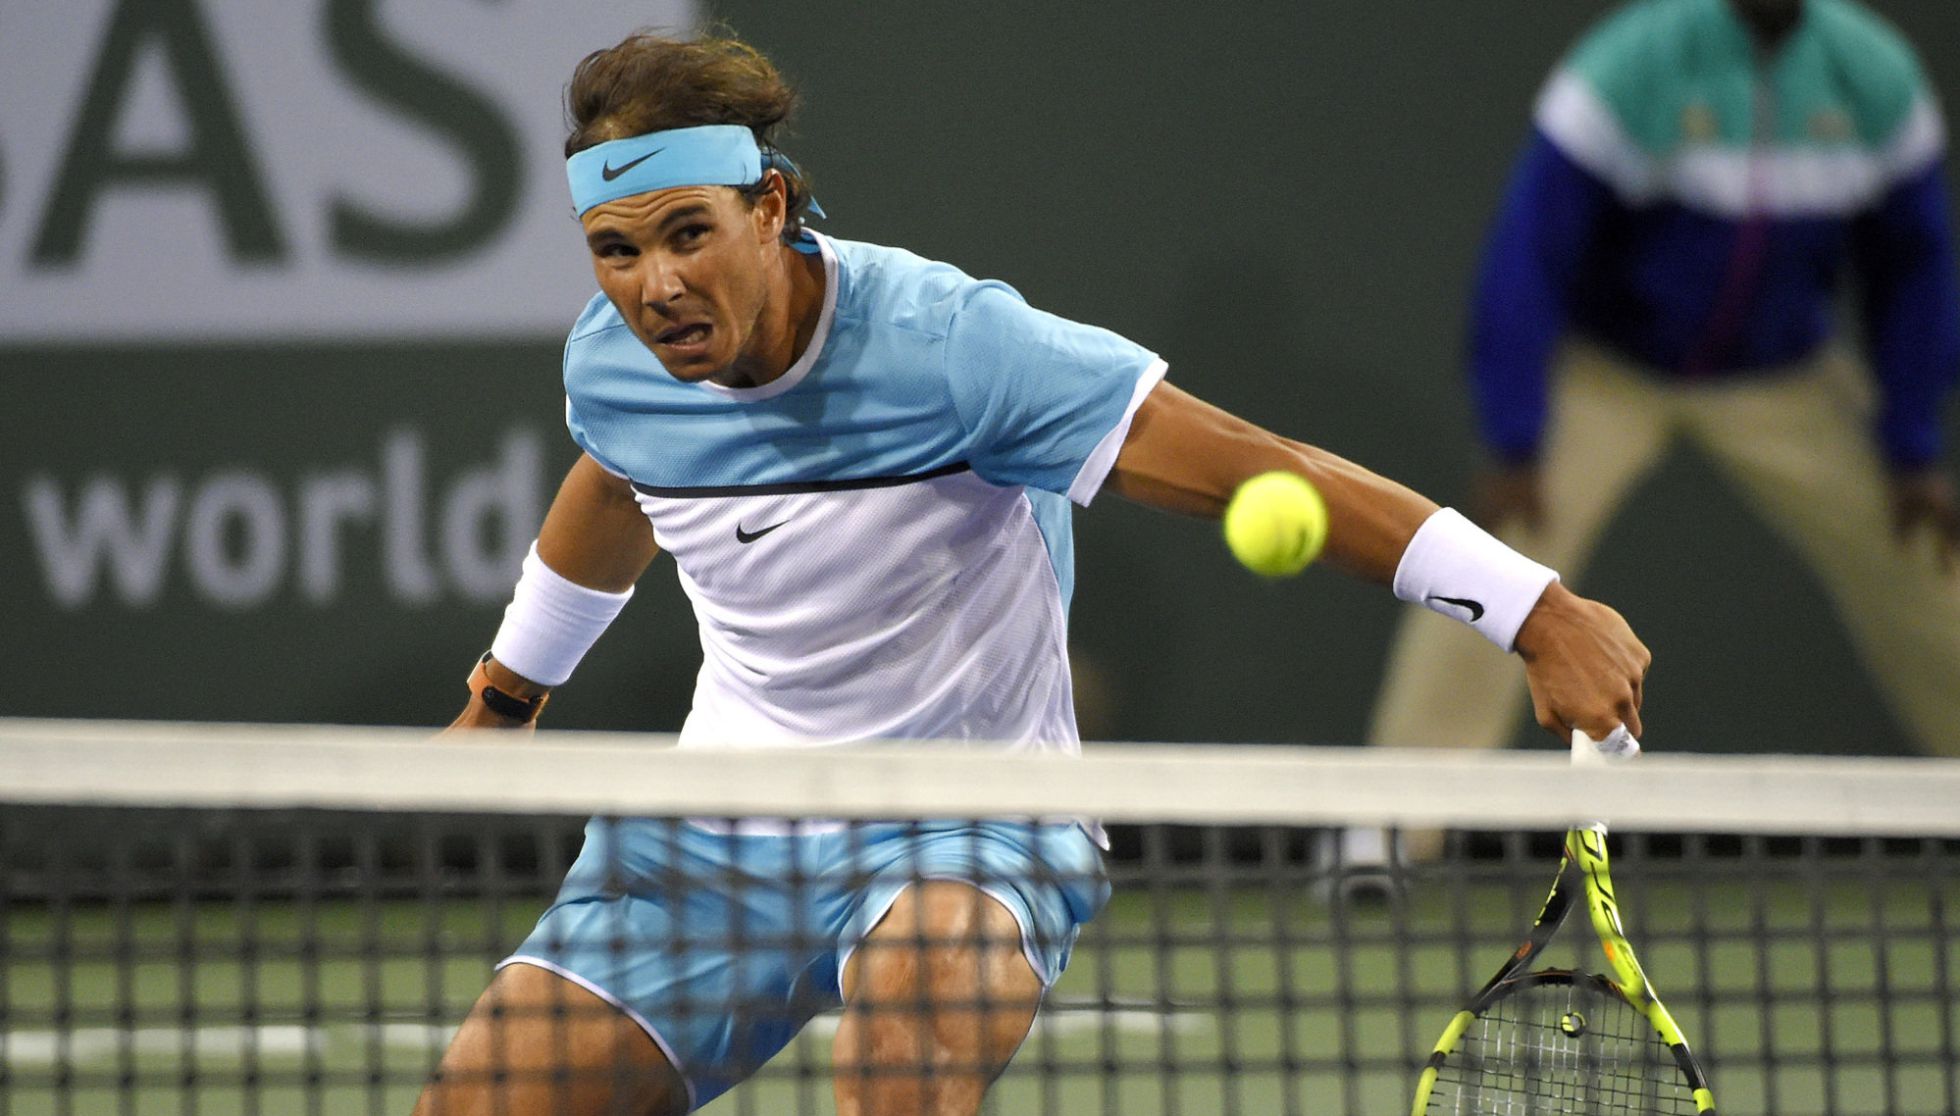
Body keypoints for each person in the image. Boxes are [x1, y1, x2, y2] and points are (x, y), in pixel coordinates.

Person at [414, 31, 1651, 1116]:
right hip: (718, 829)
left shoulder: (957, 350)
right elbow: (617, 482)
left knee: (900, 1065)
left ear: (773, 207)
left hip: (969, 828)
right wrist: (504, 699)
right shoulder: (617, 365)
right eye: (615, 252)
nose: (657, 285)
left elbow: (1257, 469)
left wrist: (1533, 608)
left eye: (689, 233)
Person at [1347, 0, 1960, 873]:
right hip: (1609, 368)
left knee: (1927, 561)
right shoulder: (1633, 62)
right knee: (1489, 563)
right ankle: (1384, 833)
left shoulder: (1876, 78)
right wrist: (1518, 432)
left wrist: (1911, 448)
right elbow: (1533, 246)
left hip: (1785, 373)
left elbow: (1914, 264)